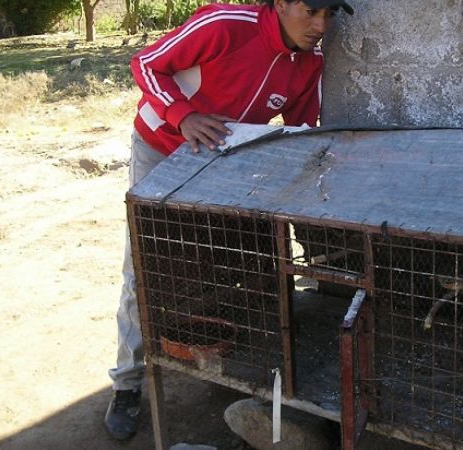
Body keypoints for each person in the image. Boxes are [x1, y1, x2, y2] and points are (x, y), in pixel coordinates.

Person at [105, 0, 353, 441]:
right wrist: (183, 116)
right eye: (311, 11)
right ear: (279, 4)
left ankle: (232, 367)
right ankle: (127, 383)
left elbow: (301, 130)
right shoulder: (223, 24)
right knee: (146, 268)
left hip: (225, 161)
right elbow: (146, 63)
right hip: (162, 149)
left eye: (329, 14)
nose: (320, 26)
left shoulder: (309, 62)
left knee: (229, 259)